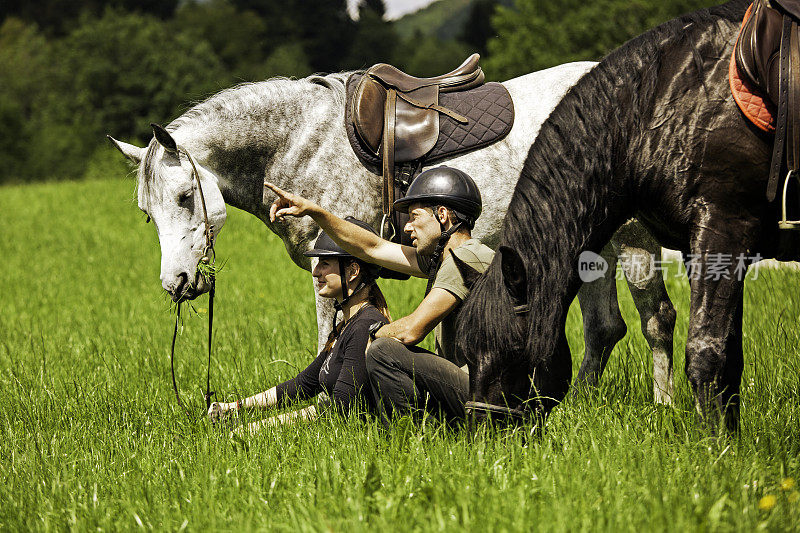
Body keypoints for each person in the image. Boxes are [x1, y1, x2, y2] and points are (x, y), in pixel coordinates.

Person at [265, 166, 493, 424]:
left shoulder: (466, 259)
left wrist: (369, 335)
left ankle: (410, 441)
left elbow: (412, 330)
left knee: (384, 350)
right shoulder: (447, 261)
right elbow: (372, 248)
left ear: (442, 215)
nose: (407, 227)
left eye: (414, 216)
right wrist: (315, 212)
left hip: (488, 397)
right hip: (475, 390)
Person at [207, 218, 391, 433]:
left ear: (353, 271)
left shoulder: (364, 326)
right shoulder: (347, 325)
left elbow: (341, 409)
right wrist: (234, 407)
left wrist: (255, 429)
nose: (316, 272)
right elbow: (304, 384)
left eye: (325, 263)